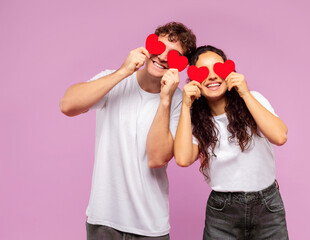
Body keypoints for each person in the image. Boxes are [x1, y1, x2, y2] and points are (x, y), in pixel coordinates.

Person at [60, 22, 196, 240]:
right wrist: (123, 72)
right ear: (148, 45)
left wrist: (165, 99)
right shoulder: (113, 80)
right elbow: (67, 105)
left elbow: (157, 158)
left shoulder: (180, 102)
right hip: (103, 220)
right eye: (159, 48)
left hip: (150, 226)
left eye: (173, 56)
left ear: (180, 65)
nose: (162, 57)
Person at [174, 45, 289, 240]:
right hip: (222, 211)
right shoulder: (194, 119)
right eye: (203, 72)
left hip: (267, 206)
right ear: (194, 81)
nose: (211, 77)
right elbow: (184, 159)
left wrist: (245, 93)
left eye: (217, 69)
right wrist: (185, 105)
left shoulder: (254, 99)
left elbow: (280, 137)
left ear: (229, 72)